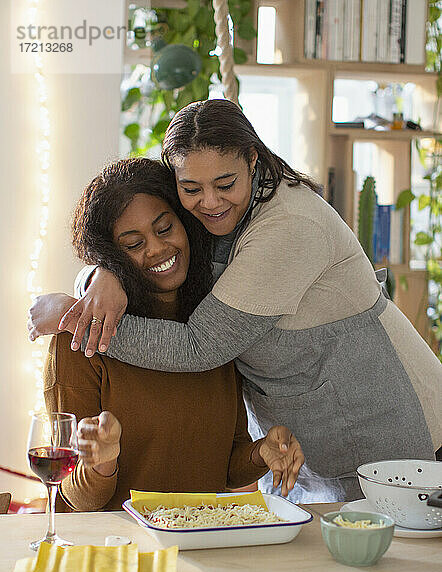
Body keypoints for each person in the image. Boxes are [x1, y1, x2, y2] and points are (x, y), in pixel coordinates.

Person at [30, 99, 442, 503]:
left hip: (389, 432)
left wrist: (75, 317)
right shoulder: (208, 218)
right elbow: (132, 237)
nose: (209, 201)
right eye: (191, 188)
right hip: (304, 457)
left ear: (252, 158)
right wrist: (102, 274)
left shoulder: (289, 225)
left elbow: (199, 345)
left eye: (225, 184)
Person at [41, 157, 304, 511]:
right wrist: (101, 464)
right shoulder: (80, 341)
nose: (157, 248)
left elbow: (227, 465)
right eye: (133, 244)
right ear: (111, 257)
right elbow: (76, 498)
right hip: (119, 552)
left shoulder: (214, 324)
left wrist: (261, 452)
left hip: (204, 542)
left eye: (164, 229)